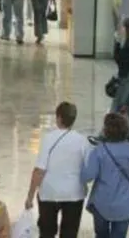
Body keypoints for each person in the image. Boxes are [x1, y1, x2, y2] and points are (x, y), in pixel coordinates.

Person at [25, 101, 90, 238]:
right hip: (74, 193)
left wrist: (30, 197)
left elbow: (39, 171)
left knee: (47, 233)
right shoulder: (82, 140)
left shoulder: (48, 138)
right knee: (69, 234)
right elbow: (88, 170)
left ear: (59, 118)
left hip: (49, 193)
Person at [81, 113, 129, 238]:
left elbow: (87, 176)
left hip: (101, 204)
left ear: (106, 130)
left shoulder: (99, 150)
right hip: (125, 204)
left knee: (101, 235)